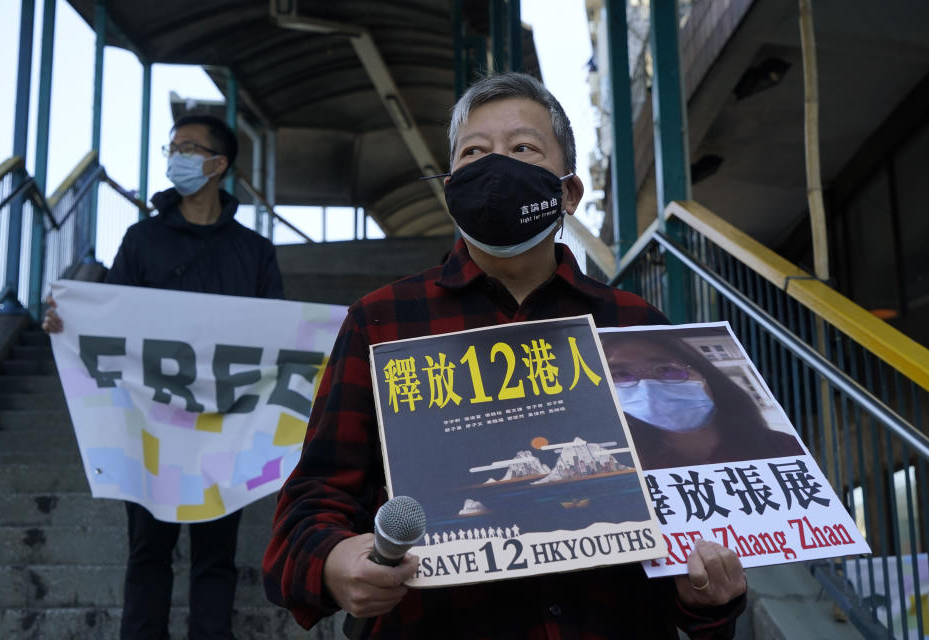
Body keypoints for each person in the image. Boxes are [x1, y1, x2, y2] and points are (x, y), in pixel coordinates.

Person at [262, 73, 747, 639]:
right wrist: (333, 561)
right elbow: (313, 503)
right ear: (450, 188)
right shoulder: (382, 321)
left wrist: (705, 597)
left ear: (568, 192)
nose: (496, 167)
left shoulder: (635, 325)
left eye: (523, 148)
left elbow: (690, 524)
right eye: (473, 152)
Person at [43, 113, 284, 640]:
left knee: (215, 557)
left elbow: (279, 338)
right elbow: (106, 316)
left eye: (188, 148)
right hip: (149, 428)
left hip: (224, 430)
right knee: (148, 551)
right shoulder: (142, 240)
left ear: (218, 164)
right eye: (172, 147)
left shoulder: (255, 254)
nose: (175, 158)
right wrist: (68, 320)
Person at [601, 330, 804, 471]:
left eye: (665, 369)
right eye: (620, 374)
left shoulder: (782, 447)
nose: (647, 388)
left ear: (706, 375)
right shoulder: (626, 467)